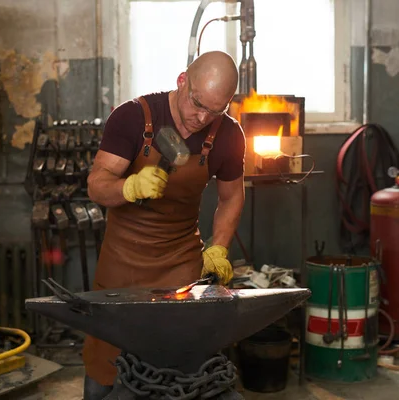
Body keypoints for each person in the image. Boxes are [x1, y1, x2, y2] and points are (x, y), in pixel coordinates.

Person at [82, 50, 246, 399]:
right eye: (196, 103)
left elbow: (232, 197)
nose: (201, 117)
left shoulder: (229, 136)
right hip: (121, 267)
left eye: (215, 111)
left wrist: (219, 248)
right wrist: (128, 187)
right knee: (104, 367)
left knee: (183, 369)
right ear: (182, 81)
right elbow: (97, 184)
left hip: (180, 268)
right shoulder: (133, 117)